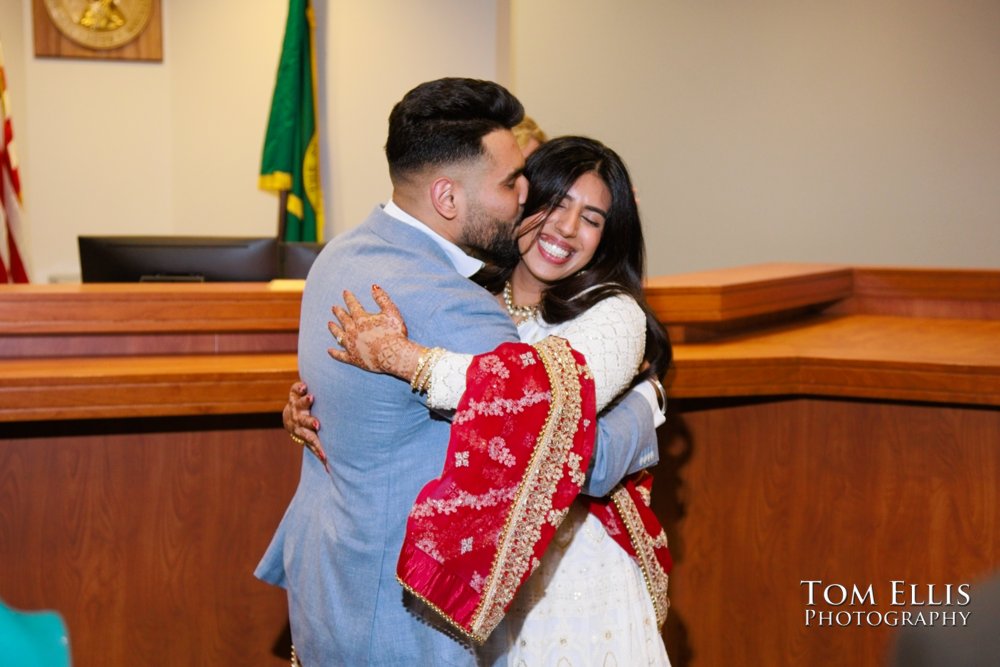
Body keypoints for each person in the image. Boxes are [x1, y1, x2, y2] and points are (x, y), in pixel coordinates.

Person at [258, 78, 663, 666]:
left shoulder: (342, 254)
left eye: (592, 217)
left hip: (338, 579)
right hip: (400, 604)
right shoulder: (460, 301)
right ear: (448, 198)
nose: (526, 199)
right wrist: (645, 407)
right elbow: (574, 450)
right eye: (515, 185)